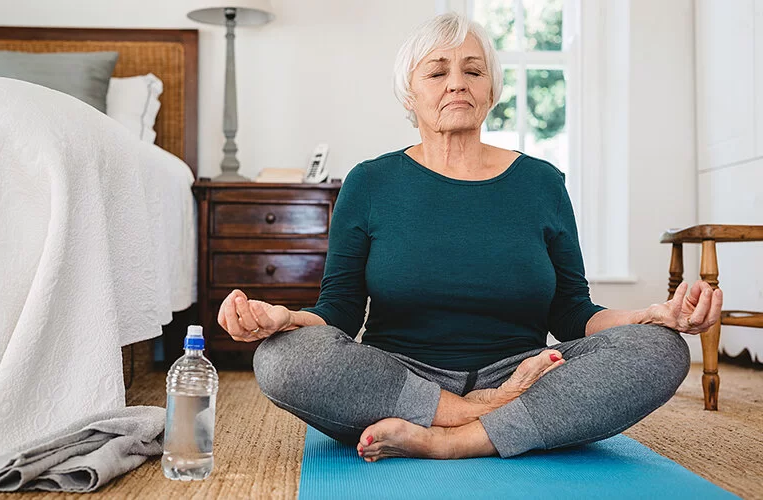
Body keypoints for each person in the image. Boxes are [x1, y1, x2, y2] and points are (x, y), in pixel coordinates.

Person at [217, 12, 722, 462]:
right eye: (437, 72)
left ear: (491, 92)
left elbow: (572, 313)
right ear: (408, 94)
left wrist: (650, 315)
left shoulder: (542, 182)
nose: (457, 83)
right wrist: (284, 319)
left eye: (473, 72)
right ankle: (468, 415)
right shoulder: (369, 182)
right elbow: (340, 314)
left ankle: (453, 438)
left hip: (523, 378)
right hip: (400, 380)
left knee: (662, 348)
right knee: (281, 355)